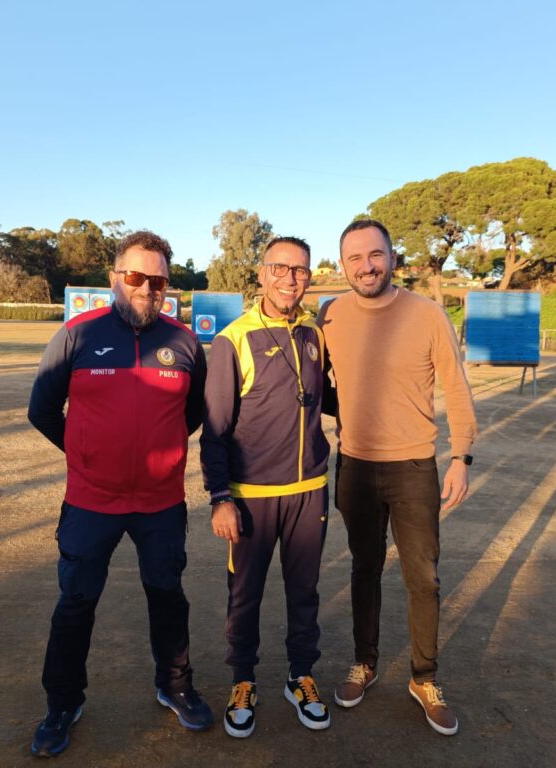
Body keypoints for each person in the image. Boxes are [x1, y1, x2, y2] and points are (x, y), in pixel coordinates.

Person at [27, 230, 212, 757]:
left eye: (158, 281)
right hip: (91, 501)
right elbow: (42, 410)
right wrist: (85, 454)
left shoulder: (184, 342)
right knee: (76, 603)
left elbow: (192, 414)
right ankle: (62, 703)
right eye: (136, 277)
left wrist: (165, 452)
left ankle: (175, 686)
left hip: (160, 503)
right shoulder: (77, 335)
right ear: (115, 278)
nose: (147, 288)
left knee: (167, 597)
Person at [318, 219, 477, 736]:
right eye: (355, 258)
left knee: (423, 577)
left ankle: (423, 678)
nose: (366, 266)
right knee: (364, 569)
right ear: (343, 265)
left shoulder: (428, 314)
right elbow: (317, 384)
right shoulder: (331, 314)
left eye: (375, 255)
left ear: (392, 257)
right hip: (356, 467)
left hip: (414, 468)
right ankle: (364, 664)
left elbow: (456, 386)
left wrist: (461, 456)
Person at [200, 236, 332, 738]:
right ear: (261, 273)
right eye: (280, 268)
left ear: (308, 277)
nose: (290, 279)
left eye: (299, 270)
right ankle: (243, 680)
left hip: (310, 490)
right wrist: (220, 498)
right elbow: (214, 429)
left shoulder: (315, 335)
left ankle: (300, 675)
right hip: (251, 497)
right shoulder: (233, 340)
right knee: (245, 595)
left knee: (304, 592)